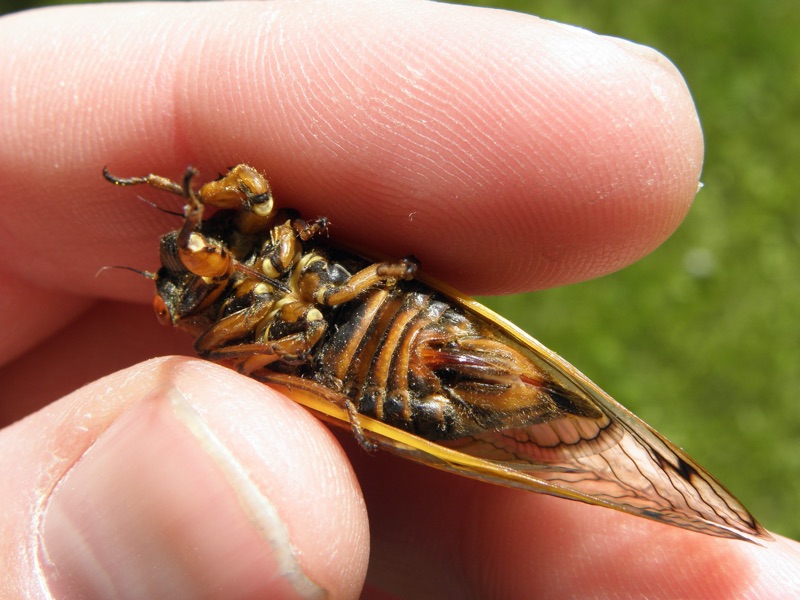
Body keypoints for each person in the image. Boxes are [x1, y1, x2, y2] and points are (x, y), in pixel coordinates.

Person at [1, 1, 798, 598]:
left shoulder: (271, 236)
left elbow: (260, 207)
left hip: (400, 322)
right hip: (370, 375)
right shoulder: (232, 324)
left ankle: (638, 469)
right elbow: (261, 359)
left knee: (469, 362)